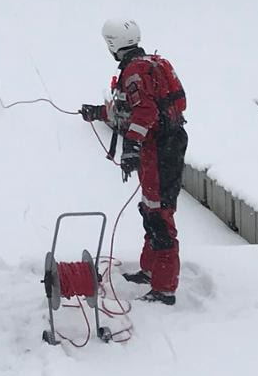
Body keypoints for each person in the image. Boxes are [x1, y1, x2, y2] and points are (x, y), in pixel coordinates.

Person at [78, 19, 188, 305]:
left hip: (160, 147)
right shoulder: (151, 64)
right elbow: (132, 110)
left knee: (159, 213)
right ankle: (151, 270)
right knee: (151, 207)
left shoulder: (135, 72)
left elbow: (145, 112)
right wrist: (98, 113)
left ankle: (165, 288)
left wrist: (131, 146)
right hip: (165, 143)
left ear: (112, 44)